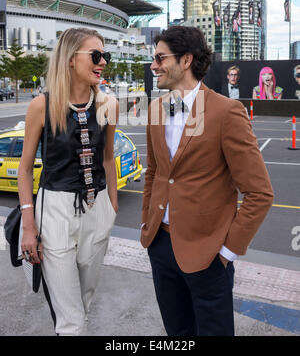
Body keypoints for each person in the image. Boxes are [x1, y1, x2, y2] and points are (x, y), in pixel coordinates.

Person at [141, 26, 273, 336]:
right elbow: (154, 172)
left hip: (209, 255)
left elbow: (259, 192)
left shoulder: (227, 112)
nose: (153, 65)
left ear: (185, 60)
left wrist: (227, 252)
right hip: (160, 245)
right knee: (177, 333)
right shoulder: (156, 109)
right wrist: (147, 225)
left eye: (160, 57)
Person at [18, 28, 119, 336]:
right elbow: (24, 169)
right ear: (71, 60)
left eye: (106, 56)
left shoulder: (107, 104)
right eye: (96, 55)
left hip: (98, 207)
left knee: (83, 304)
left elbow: (107, 159)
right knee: (71, 318)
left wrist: (111, 209)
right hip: (55, 210)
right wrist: (28, 225)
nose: (102, 62)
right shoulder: (41, 106)